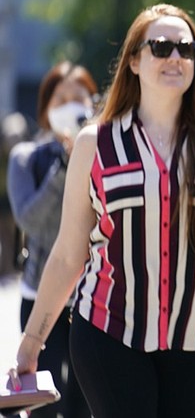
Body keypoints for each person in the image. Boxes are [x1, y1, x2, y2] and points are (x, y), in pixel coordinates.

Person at [10, 4, 195, 418]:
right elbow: (69, 253)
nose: (175, 57)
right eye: (161, 47)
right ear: (133, 60)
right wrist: (31, 343)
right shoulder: (95, 143)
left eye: (186, 48)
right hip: (109, 332)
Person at [7, 61, 97, 418]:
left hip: (90, 296)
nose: (71, 106)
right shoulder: (26, 159)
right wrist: (65, 164)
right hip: (39, 292)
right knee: (41, 397)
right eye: (61, 99)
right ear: (45, 107)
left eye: (79, 98)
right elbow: (30, 218)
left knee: (83, 395)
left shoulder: (105, 155)